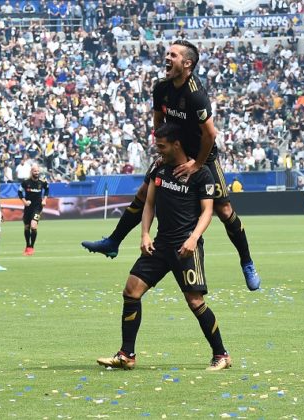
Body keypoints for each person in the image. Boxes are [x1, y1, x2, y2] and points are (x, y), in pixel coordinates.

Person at [82, 39, 261, 291]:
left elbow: (210, 135)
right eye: (167, 53)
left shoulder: (195, 94)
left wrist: (197, 164)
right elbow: (158, 122)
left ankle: (247, 262)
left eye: (173, 55)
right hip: (175, 151)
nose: (167, 57)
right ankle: (113, 241)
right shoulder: (161, 88)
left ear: (187, 64)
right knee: (145, 193)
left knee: (223, 210)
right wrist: (164, 151)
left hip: (203, 155)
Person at [97, 123, 232, 371]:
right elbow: (149, 204)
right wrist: (145, 234)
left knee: (195, 301)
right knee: (131, 291)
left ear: (176, 144)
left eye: (162, 146)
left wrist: (193, 238)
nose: (158, 151)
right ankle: (127, 355)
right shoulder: (158, 168)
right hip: (159, 245)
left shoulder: (200, 173)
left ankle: (221, 355)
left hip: (186, 248)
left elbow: (207, 212)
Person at [18, 163, 48, 255]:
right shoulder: (25, 182)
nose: (37, 172)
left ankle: (32, 247)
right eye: (35, 171)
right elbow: (19, 192)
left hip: (38, 207)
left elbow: (47, 189)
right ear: (31, 172)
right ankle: (27, 245)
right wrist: (24, 201)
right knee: (27, 227)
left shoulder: (42, 182)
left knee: (33, 226)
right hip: (28, 208)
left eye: (38, 171)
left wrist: (44, 199)